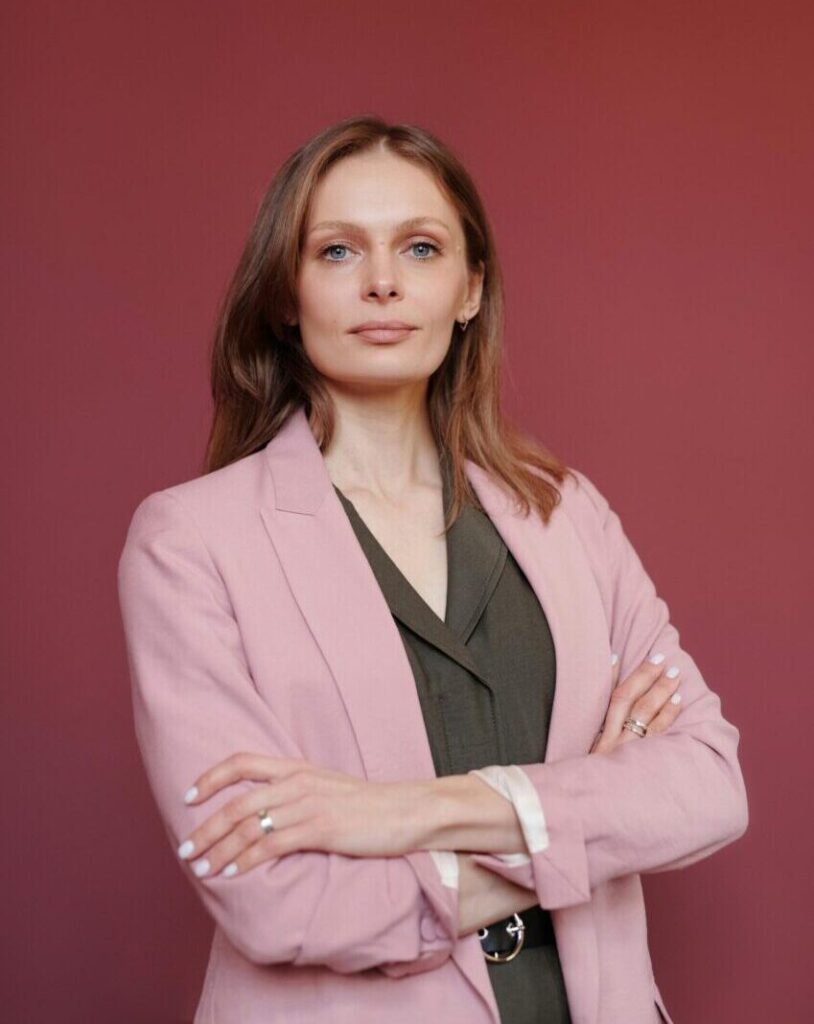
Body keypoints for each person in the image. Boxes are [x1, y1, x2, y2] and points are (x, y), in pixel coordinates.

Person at [117, 116, 748, 1024]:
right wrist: (584, 820)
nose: (382, 282)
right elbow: (273, 898)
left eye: (420, 247)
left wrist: (395, 815)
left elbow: (708, 788)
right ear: (286, 294)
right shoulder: (190, 542)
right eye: (337, 251)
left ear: (468, 289)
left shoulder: (565, 513)